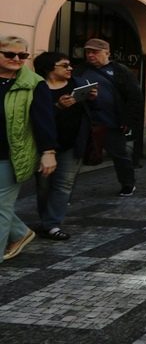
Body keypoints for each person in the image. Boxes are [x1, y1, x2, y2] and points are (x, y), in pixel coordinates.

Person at [1, 38, 57, 261]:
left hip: (11, 155)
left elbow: (44, 121)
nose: (17, 59)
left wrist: (48, 152)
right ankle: (21, 233)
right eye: (9, 55)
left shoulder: (34, 84)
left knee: (1, 207)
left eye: (23, 56)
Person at [33, 52, 91, 240]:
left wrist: (92, 98)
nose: (70, 68)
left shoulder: (78, 84)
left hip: (72, 143)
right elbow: (38, 117)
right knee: (43, 185)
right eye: (64, 65)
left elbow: (93, 112)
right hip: (42, 145)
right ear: (50, 68)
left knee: (64, 184)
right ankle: (45, 220)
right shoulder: (37, 87)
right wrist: (58, 107)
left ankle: (52, 224)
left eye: (70, 65)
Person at [81, 38, 143, 197]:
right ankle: (65, 192)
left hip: (112, 122)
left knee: (119, 154)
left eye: (95, 52)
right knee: (77, 157)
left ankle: (128, 184)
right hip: (87, 121)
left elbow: (134, 96)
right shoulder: (80, 70)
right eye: (88, 52)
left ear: (107, 53)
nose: (90, 55)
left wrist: (129, 120)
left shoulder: (120, 70)